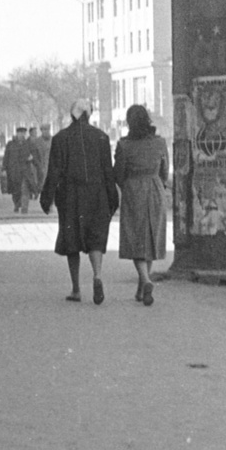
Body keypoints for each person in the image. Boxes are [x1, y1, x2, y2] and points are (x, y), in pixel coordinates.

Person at [40, 98, 119, 304]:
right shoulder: (101, 137)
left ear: (71, 114)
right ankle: (97, 275)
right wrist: (113, 197)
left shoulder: (60, 138)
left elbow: (54, 171)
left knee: (72, 239)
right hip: (97, 194)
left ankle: (76, 288)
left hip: (70, 195)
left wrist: (46, 197)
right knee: (95, 237)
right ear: (89, 114)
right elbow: (107, 171)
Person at [114, 104, 170, 306]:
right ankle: (142, 287)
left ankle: (145, 281)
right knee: (151, 237)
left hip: (133, 190)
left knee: (136, 237)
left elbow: (118, 174)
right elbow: (165, 172)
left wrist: (129, 184)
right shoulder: (160, 143)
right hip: (155, 189)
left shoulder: (124, 145)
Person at [2, 127, 34, 213]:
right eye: (20, 133)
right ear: (17, 133)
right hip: (13, 171)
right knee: (15, 191)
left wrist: (31, 158)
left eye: (23, 133)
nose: (22, 135)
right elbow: (6, 157)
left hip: (24, 172)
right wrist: (4, 169)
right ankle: (17, 204)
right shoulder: (10, 144)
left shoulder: (28, 144)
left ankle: (24, 207)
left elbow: (34, 154)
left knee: (24, 189)